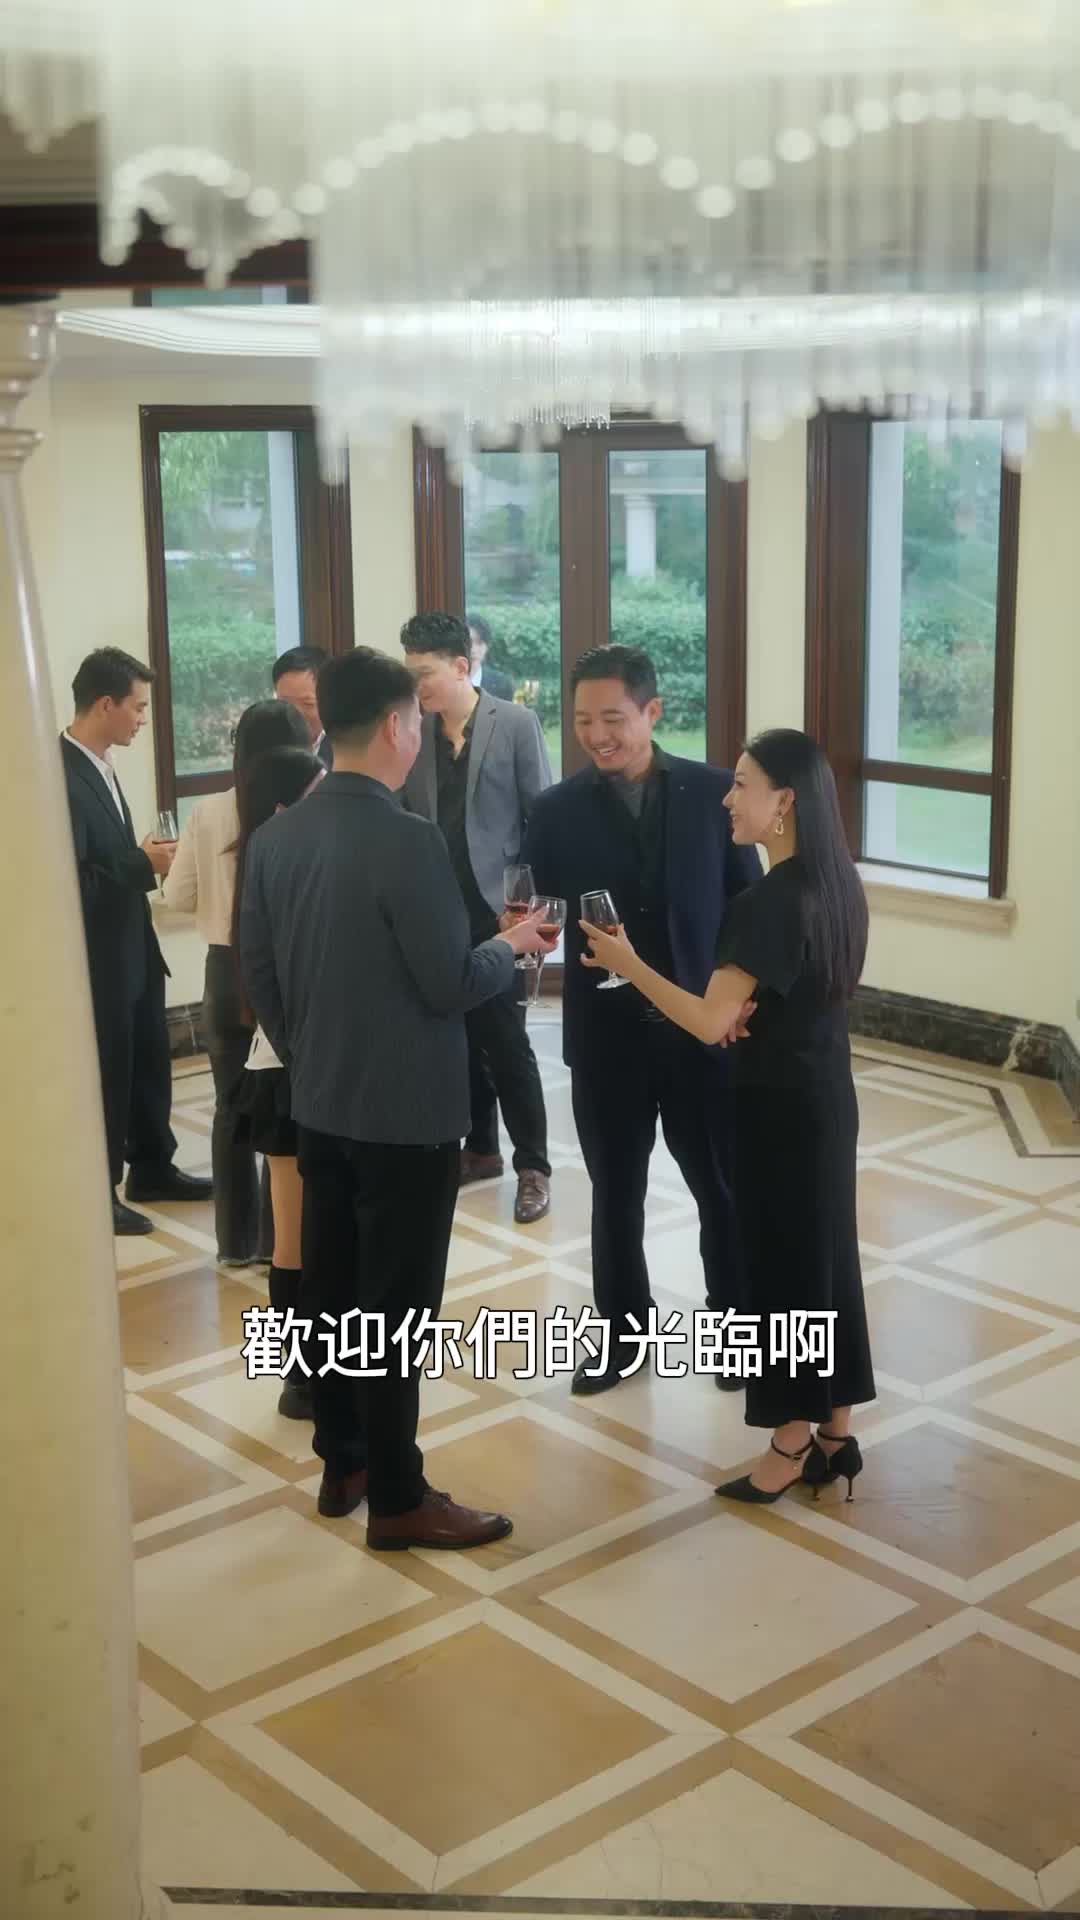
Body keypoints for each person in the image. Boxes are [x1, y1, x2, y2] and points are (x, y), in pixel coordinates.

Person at [237, 646, 556, 1550]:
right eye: (415, 717)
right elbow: (450, 981)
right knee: (397, 1311)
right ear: (393, 725)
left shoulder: (277, 837)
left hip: (320, 1105)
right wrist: (512, 945)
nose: (420, 730)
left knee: (334, 1294)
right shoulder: (408, 838)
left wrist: (313, 1056)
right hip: (409, 1116)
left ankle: (343, 1463)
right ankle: (400, 1496)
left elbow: (260, 975)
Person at [580, 728, 875, 1503]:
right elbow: (791, 994)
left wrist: (628, 963)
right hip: (825, 1098)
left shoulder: (765, 901)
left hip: (776, 1111)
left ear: (784, 802)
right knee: (827, 1264)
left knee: (783, 1275)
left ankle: (788, 1444)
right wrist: (748, 1013)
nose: (727, 799)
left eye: (742, 784)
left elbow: (711, 1022)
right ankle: (835, 1434)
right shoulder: (836, 882)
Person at [523, 645, 761, 1394]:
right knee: (615, 1194)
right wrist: (524, 930)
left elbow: (748, 909)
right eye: (583, 721)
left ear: (652, 712)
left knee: (720, 1189)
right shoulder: (554, 811)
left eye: (614, 719)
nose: (598, 736)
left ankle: (738, 1331)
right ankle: (623, 1336)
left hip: (701, 1034)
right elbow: (539, 909)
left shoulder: (715, 794)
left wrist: (738, 1005)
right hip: (606, 1040)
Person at [401, 611, 553, 1225]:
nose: (415, 686)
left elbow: (541, 817)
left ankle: (534, 1166)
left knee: (507, 1043)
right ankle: (481, 1149)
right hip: (435, 912)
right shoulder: (414, 730)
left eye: (424, 673)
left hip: (500, 914)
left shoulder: (513, 723)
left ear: (461, 666)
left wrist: (534, 909)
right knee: (456, 1039)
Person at [60, 647, 212, 1235]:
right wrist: (141, 862)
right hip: (101, 957)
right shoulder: (61, 775)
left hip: (134, 948)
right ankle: (101, 1192)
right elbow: (70, 883)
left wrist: (141, 860)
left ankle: (153, 1167)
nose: (144, 719)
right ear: (105, 704)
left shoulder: (101, 764)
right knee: (111, 1073)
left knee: (149, 1062)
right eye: (139, 707)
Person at [162, 699, 310, 1265]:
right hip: (284, 973)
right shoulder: (305, 804)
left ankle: (235, 1243)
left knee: (230, 1107)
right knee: (282, 1106)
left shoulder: (208, 810)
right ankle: (279, 1242)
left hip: (223, 972)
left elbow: (177, 895)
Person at [229, 744, 325, 1418]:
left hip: (276, 1063)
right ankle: (309, 1376)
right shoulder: (294, 867)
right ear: (288, 804)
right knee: (303, 1236)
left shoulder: (259, 861)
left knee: (294, 1234)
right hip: (296, 1069)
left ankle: (301, 1378)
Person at [272, 645, 333, 768]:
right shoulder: (268, 745)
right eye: (286, 703)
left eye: (308, 704)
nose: (296, 714)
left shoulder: (345, 748)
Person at [468, 616, 514, 701]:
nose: (473, 650)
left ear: (487, 646)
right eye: (468, 643)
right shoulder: (447, 680)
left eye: (479, 643)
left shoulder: (502, 684)